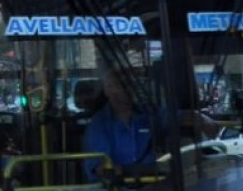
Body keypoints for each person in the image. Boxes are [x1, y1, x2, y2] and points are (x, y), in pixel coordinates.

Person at [83, 67, 218, 179]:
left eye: (130, 84)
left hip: (155, 190)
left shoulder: (148, 114)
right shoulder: (98, 125)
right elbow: (101, 168)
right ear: (107, 90)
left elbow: (177, 117)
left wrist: (202, 119)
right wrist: (141, 170)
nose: (127, 89)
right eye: (120, 85)